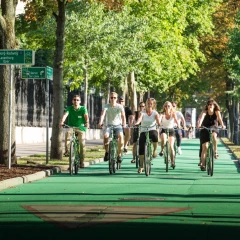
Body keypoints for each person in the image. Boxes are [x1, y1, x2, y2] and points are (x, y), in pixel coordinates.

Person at [59, 95, 89, 168]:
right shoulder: (69, 108)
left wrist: (87, 122)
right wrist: (62, 121)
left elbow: (86, 116)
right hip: (71, 127)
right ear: (72, 101)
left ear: (80, 101)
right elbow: (65, 114)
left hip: (81, 128)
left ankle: (81, 162)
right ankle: (68, 151)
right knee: (67, 133)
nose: (76, 101)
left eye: (77, 100)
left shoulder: (83, 108)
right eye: (74, 100)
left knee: (82, 143)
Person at [196, 98, 226, 171]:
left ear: (214, 105)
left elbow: (220, 119)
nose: (210, 106)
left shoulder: (216, 111)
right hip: (204, 128)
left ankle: (215, 151)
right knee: (205, 147)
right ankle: (203, 164)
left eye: (211, 104)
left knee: (214, 136)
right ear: (207, 106)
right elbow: (201, 118)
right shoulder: (204, 111)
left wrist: (222, 125)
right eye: (209, 105)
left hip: (213, 127)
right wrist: (199, 125)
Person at [134, 98, 161, 174]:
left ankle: (155, 150)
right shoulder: (142, 112)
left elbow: (158, 120)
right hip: (144, 130)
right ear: (146, 104)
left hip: (152, 129)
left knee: (155, 135)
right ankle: (141, 166)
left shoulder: (155, 113)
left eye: (151, 103)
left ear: (153, 105)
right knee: (141, 148)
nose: (149, 105)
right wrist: (137, 123)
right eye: (148, 103)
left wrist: (160, 124)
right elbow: (139, 119)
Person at [98, 92, 126, 163]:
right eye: (111, 97)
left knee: (121, 136)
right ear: (109, 98)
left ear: (116, 99)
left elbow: (123, 116)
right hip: (109, 126)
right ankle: (107, 152)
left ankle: (119, 155)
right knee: (106, 136)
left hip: (118, 126)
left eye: (114, 98)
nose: (113, 99)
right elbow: (102, 115)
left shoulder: (120, 106)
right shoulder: (106, 106)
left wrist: (124, 123)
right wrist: (100, 122)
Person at [159, 101, 181, 168]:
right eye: (165, 106)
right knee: (163, 137)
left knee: (171, 146)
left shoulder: (173, 114)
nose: (167, 107)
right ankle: (162, 150)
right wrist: (159, 124)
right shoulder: (162, 114)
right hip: (164, 130)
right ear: (164, 107)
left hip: (171, 131)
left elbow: (177, 121)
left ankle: (172, 162)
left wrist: (179, 126)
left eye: (168, 106)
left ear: (171, 107)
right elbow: (159, 119)